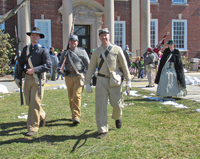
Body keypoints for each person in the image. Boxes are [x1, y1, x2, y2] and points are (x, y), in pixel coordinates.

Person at [85, 28, 131, 139]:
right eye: (102, 36)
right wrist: (87, 83)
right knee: (100, 106)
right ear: (99, 37)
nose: (104, 37)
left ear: (109, 36)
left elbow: (124, 66)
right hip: (101, 80)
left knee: (117, 104)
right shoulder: (96, 51)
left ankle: (117, 116)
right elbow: (91, 68)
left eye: (106, 35)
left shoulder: (117, 49)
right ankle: (102, 130)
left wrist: (128, 81)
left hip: (115, 80)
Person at [14, 27, 52, 136]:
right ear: (30, 36)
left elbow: (48, 65)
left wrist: (35, 69)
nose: (34, 37)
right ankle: (43, 115)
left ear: (39, 37)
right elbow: (20, 65)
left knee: (34, 102)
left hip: (38, 79)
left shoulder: (43, 50)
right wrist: (17, 77)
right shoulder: (26, 49)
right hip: (28, 79)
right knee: (29, 102)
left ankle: (33, 127)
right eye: (32, 35)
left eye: (36, 35)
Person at [57, 35, 90, 125]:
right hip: (68, 76)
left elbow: (88, 64)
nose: (73, 43)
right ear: (69, 42)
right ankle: (73, 114)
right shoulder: (65, 52)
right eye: (71, 41)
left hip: (78, 76)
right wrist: (59, 69)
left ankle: (76, 116)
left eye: (75, 41)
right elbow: (60, 64)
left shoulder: (82, 52)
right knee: (71, 97)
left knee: (76, 95)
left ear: (77, 42)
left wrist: (89, 76)